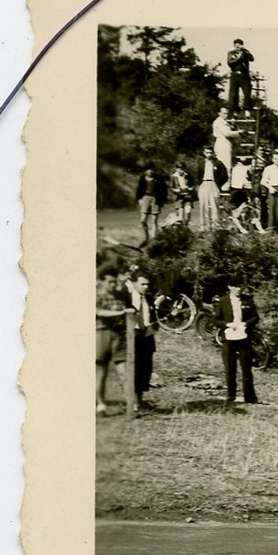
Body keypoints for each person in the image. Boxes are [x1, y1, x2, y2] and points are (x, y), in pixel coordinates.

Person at [212, 281, 260, 406]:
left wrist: (246, 324)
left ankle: (249, 396)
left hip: (244, 336)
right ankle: (231, 394)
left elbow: (256, 317)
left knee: (246, 367)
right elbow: (215, 320)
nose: (238, 289)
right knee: (230, 367)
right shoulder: (223, 301)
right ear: (229, 287)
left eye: (240, 286)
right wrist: (228, 325)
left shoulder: (248, 300)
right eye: (235, 287)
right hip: (229, 337)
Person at [94, 266, 133, 413]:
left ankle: (131, 404)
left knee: (124, 370)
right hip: (101, 333)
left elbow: (130, 307)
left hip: (119, 335)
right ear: (102, 281)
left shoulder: (120, 295)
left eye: (114, 281)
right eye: (109, 281)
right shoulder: (97, 295)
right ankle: (100, 404)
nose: (112, 284)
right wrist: (120, 312)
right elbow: (98, 311)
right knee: (101, 371)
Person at [124, 269, 158, 407]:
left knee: (146, 368)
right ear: (134, 283)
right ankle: (131, 401)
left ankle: (140, 399)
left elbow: (153, 316)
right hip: (133, 336)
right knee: (134, 368)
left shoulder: (149, 298)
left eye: (147, 284)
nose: (146, 287)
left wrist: (154, 326)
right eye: (143, 284)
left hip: (147, 336)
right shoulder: (128, 298)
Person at [194, 146, 227, 230]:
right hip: (204, 183)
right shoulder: (201, 163)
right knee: (203, 205)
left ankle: (215, 225)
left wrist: (218, 184)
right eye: (207, 152)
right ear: (204, 153)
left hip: (214, 184)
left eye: (210, 152)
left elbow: (224, 176)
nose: (208, 154)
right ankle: (204, 226)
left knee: (215, 205)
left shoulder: (218, 163)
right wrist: (200, 183)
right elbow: (198, 175)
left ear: (213, 153)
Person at [134, 167, 166, 242]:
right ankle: (146, 236)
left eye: (151, 170)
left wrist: (162, 201)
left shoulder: (159, 178)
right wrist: (139, 199)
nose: (150, 172)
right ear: (145, 171)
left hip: (156, 199)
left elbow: (164, 190)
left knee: (154, 221)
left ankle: (153, 238)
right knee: (143, 220)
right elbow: (139, 189)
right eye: (148, 170)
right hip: (145, 198)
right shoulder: (142, 178)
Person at [226, 38, 255, 113]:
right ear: (234, 46)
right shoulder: (231, 53)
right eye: (236, 46)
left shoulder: (245, 52)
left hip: (244, 74)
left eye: (239, 46)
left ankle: (247, 109)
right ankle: (234, 110)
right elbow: (230, 63)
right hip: (235, 74)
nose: (237, 47)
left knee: (247, 92)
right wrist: (239, 59)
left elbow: (252, 59)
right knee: (233, 93)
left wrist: (245, 50)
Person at [211, 107, 236, 172]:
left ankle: (227, 179)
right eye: (224, 113)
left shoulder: (226, 122)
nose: (226, 115)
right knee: (223, 163)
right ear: (219, 113)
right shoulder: (218, 122)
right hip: (222, 144)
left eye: (227, 114)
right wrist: (238, 133)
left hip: (226, 143)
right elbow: (226, 133)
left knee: (228, 163)